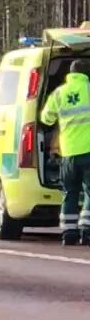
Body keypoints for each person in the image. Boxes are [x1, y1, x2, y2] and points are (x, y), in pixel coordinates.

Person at [40, 59, 90, 245]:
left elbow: (46, 118)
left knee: (70, 192)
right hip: (88, 151)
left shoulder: (59, 93)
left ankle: (69, 232)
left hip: (68, 153)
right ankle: (87, 231)